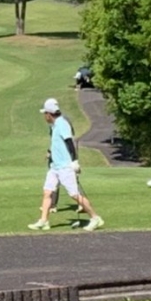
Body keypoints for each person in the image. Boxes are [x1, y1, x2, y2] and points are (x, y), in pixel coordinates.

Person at [29, 98, 104, 231]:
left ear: (49, 114)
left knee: (74, 195)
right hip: (55, 167)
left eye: (45, 113)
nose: (44, 116)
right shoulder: (54, 125)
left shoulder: (62, 124)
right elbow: (56, 143)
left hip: (65, 166)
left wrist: (74, 161)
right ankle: (44, 221)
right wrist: (50, 152)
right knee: (47, 192)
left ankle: (95, 218)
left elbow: (70, 143)